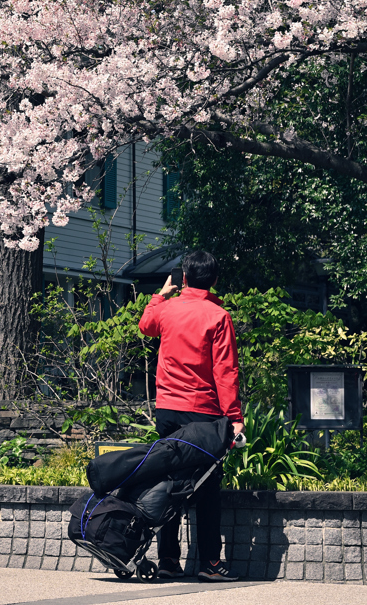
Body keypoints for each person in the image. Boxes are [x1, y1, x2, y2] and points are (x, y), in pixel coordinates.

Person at [138, 250, 244, 583]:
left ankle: (169, 560)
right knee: (207, 486)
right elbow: (225, 370)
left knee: (169, 481)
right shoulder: (218, 316)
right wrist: (234, 417)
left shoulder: (167, 310)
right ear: (214, 280)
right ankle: (209, 564)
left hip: (168, 410)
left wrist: (159, 296)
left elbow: (145, 326)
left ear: (184, 278)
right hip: (203, 414)